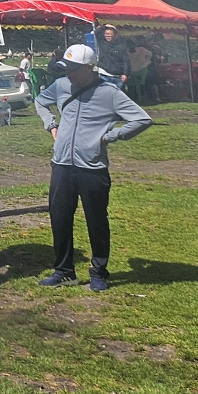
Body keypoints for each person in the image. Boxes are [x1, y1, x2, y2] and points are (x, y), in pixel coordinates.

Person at [36, 43, 153, 291]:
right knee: (59, 218)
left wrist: (109, 137)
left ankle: (99, 272)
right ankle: (64, 271)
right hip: (61, 165)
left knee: (96, 220)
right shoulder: (61, 85)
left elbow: (142, 119)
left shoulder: (109, 93)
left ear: (89, 67)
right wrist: (51, 125)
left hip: (92, 167)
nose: (68, 73)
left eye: (73, 69)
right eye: (66, 68)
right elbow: (40, 102)